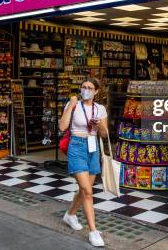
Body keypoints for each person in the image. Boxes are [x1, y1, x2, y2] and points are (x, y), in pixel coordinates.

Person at [58, 78, 109, 247]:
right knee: (87, 191)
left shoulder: (100, 109)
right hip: (77, 147)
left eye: (90, 88)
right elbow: (62, 127)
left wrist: (100, 124)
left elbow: (104, 134)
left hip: (93, 148)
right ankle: (93, 232)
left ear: (96, 92)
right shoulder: (74, 105)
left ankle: (70, 214)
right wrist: (70, 105)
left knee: (85, 189)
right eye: (83, 87)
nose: (86, 90)